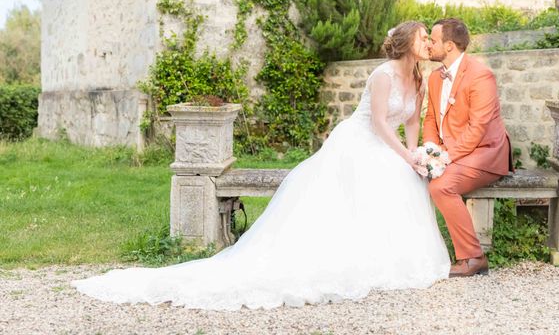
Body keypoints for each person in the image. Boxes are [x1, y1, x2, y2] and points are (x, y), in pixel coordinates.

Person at [73, 21, 451, 311]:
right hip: (360, 140)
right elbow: (382, 123)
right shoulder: (382, 75)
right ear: (405, 44)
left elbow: (412, 123)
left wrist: (416, 156)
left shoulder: (418, 77)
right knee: (361, 190)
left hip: (392, 147)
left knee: (403, 182)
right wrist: (404, 154)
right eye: (422, 38)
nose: (428, 44)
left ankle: (388, 257)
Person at [422, 18, 513, 278]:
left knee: (441, 186)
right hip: (454, 153)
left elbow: (478, 128)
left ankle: (473, 257)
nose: (429, 43)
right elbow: (430, 118)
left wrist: (446, 158)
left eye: (433, 39)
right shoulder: (435, 77)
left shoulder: (481, 75)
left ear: (449, 45)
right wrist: (430, 151)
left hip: (486, 152)